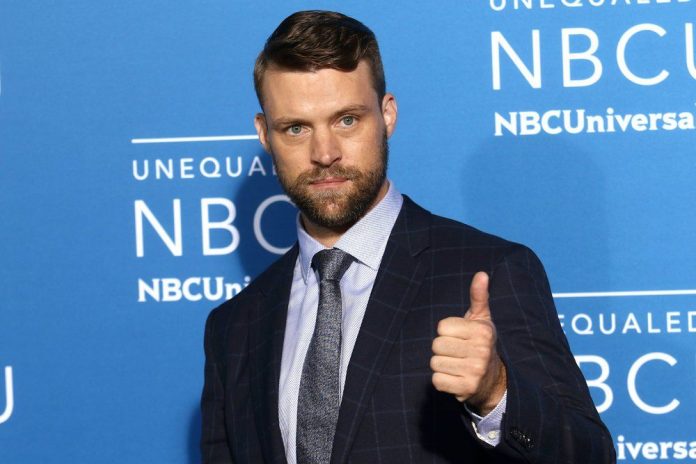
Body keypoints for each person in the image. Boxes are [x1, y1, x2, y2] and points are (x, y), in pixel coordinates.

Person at [200, 10, 615, 464]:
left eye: (346, 120)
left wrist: (495, 393)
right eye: (296, 128)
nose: (324, 153)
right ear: (265, 134)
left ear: (387, 114)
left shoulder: (487, 271)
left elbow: (590, 455)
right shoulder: (234, 327)